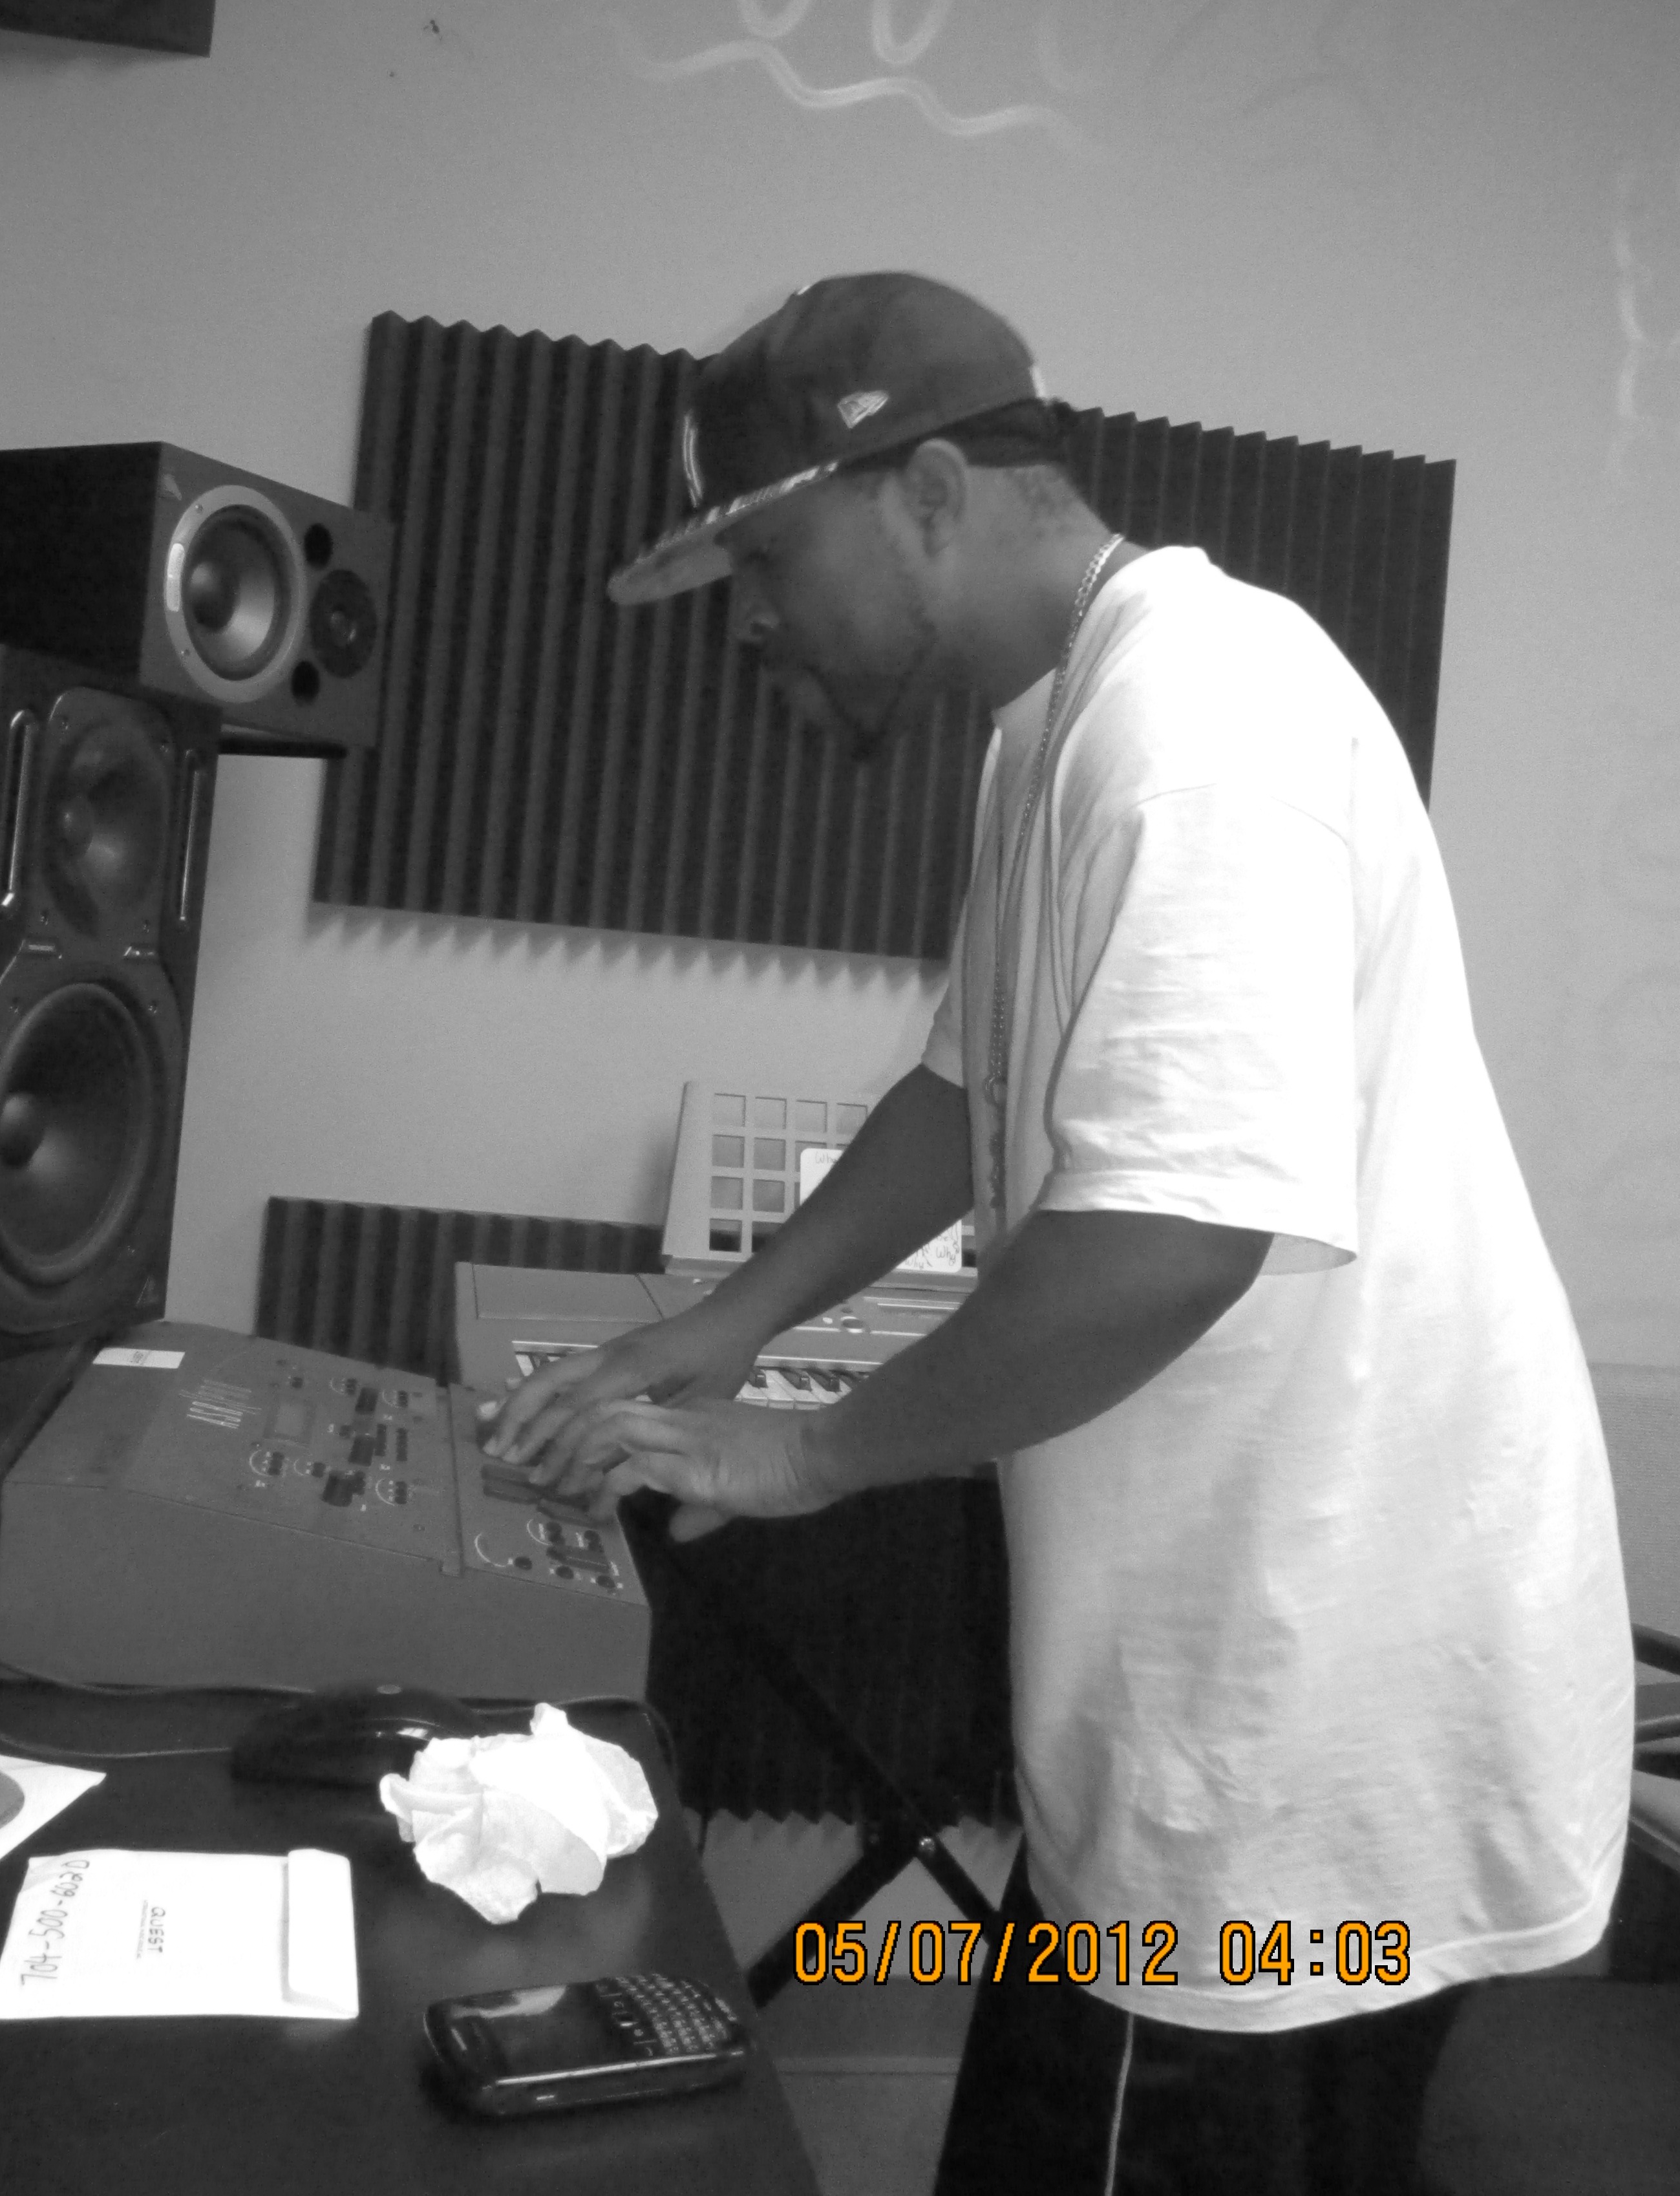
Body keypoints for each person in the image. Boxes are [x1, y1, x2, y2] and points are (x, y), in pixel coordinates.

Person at [479, 272, 1635, 2195]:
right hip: (1222, 1738)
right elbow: (970, 1090)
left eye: (766, 556)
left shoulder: (1200, 721)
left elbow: (1173, 1236)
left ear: (931, 494)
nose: (751, 615)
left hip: (1290, 1768)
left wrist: (804, 1456)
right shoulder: (1055, 730)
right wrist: (730, 1321)